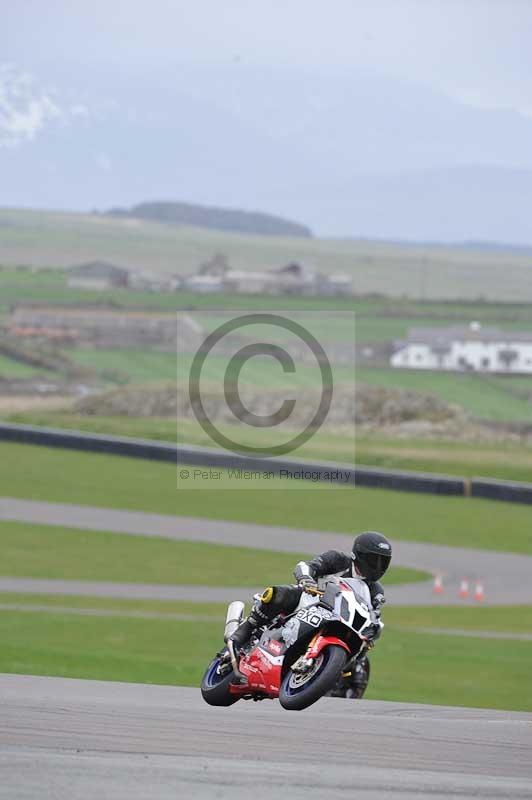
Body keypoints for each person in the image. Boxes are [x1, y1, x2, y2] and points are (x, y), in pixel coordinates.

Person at [230, 531, 392, 649]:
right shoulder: (338, 560)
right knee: (279, 594)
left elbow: (374, 616)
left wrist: (373, 631)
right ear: (359, 554)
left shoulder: (376, 591)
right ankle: (246, 628)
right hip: (310, 600)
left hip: (339, 621)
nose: (378, 567)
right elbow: (306, 566)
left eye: (382, 562)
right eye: (374, 560)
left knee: (362, 654)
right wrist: (306, 579)